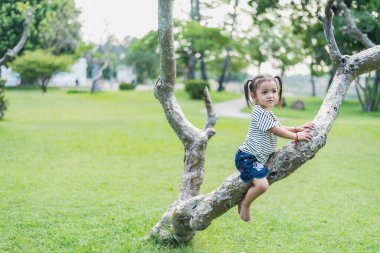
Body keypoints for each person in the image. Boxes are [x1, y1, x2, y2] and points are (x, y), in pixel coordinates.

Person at [235, 74, 314, 222]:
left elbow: (279, 127)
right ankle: (245, 204)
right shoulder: (259, 112)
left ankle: (245, 200)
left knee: (262, 182)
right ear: (254, 96)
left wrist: (296, 129)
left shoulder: (267, 112)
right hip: (247, 158)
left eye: (273, 91)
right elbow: (276, 130)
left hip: (257, 158)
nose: (270, 95)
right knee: (262, 185)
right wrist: (297, 136)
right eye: (264, 92)